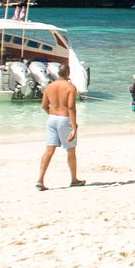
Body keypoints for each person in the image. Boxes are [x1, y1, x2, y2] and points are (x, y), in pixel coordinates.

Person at [37, 62, 84, 191]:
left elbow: (43, 106)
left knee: (49, 151)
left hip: (51, 119)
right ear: (68, 73)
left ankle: (40, 179)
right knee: (71, 151)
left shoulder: (50, 86)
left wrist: (52, 115)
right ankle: (74, 179)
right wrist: (74, 126)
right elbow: (71, 107)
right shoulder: (70, 87)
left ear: (58, 73)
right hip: (64, 119)